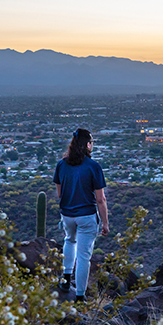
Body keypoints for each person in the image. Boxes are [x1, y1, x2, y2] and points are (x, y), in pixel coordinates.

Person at [53, 128, 109, 301]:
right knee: (84, 256)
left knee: (69, 240)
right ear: (87, 145)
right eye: (91, 143)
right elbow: (101, 199)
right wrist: (105, 223)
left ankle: (66, 277)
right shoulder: (93, 167)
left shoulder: (62, 165)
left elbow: (60, 193)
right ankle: (79, 296)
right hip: (86, 215)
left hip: (68, 214)